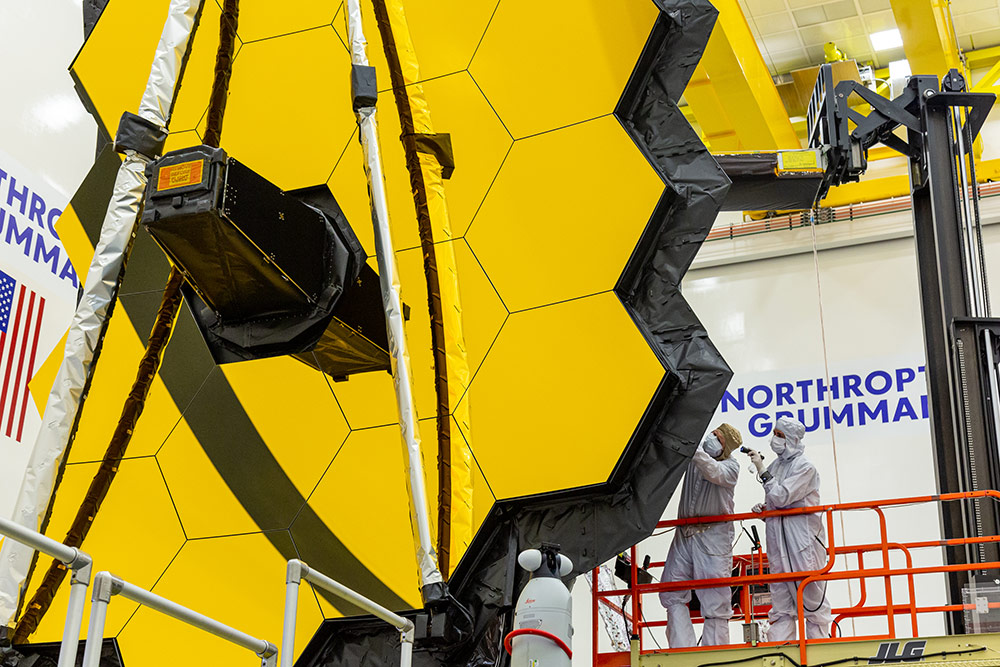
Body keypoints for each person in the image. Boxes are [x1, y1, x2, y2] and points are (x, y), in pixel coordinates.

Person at [748, 416, 831, 641]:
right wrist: (767, 510)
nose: (774, 439)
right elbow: (777, 501)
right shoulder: (777, 465)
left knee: (813, 604)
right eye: (774, 433)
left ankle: (819, 652)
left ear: (792, 439)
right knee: (781, 605)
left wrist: (761, 469)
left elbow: (782, 496)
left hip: (802, 545)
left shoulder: (805, 467)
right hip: (778, 545)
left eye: (780, 435)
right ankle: (781, 652)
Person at [659, 423, 742, 647]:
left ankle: (715, 653)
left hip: (712, 538)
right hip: (685, 534)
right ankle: (681, 650)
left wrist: (692, 448)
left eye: (719, 438)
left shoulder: (731, 467)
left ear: (727, 449)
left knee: (715, 600)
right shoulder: (694, 461)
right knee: (672, 590)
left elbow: (714, 472)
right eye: (713, 433)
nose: (712, 438)